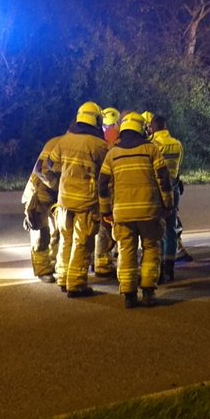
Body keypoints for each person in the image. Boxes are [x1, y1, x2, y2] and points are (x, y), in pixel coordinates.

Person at [98, 114, 175, 308]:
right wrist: (167, 204)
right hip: (149, 211)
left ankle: (129, 295)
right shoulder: (151, 150)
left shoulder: (112, 154)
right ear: (141, 129)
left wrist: (106, 210)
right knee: (151, 249)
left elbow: (103, 185)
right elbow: (163, 180)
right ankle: (148, 292)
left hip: (122, 214)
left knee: (126, 251)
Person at [39, 101, 108, 297]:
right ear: (95, 119)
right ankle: (76, 284)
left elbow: (50, 164)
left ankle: (63, 277)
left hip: (64, 200)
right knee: (81, 242)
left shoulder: (65, 141)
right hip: (86, 202)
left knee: (66, 240)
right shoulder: (100, 145)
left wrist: (68, 173)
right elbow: (106, 173)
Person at [149, 114, 186, 281]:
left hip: (158, 190)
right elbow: (178, 168)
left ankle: (159, 269)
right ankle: (170, 269)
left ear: (153, 127)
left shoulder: (153, 145)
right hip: (174, 188)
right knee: (171, 227)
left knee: (157, 229)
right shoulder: (177, 144)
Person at [22, 136, 61, 283]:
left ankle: (55, 264)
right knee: (41, 233)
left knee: (57, 231)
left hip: (54, 196)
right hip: (39, 194)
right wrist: (58, 185)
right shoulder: (58, 144)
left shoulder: (64, 143)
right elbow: (40, 169)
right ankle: (43, 270)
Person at [93, 106, 123, 278]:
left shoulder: (97, 138)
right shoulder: (116, 138)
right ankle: (104, 263)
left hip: (97, 189)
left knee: (100, 228)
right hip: (112, 190)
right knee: (108, 228)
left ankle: (99, 261)